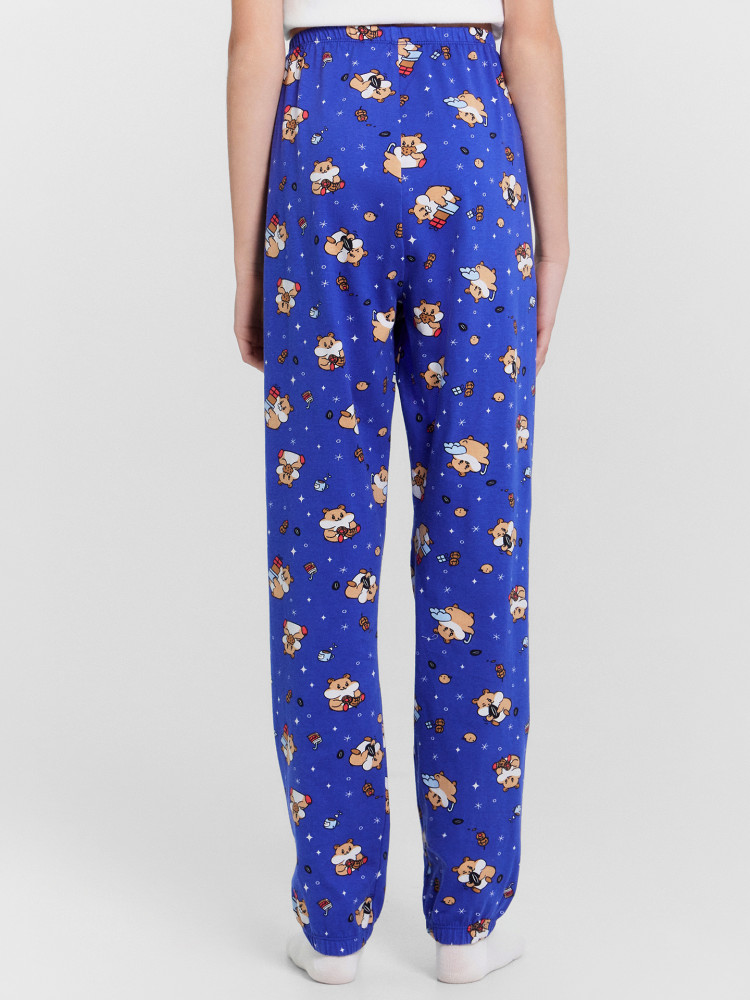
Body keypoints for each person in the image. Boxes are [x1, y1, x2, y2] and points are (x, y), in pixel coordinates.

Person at [227, 0, 568, 985]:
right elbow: (532, 34)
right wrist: (555, 241)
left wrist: (248, 256)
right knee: (479, 540)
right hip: (473, 148)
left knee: (319, 558)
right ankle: (468, 921)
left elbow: (253, 44)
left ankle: (334, 924)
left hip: (323, 143)